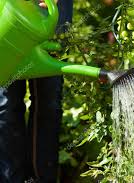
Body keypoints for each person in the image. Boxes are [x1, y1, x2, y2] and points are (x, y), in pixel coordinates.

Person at [0, 0, 73, 182]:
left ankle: (42, 178)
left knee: (48, 102)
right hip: (8, 10)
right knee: (6, 105)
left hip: (55, 10)